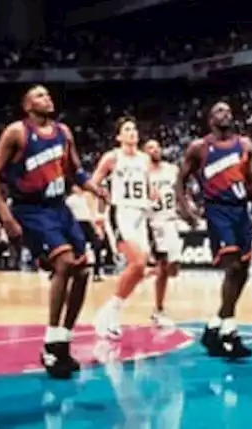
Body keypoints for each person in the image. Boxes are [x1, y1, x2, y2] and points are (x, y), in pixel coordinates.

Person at [0, 85, 103, 379]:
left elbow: (76, 170)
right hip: (31, 210)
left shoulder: (63, 132)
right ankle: (50, 340)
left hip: (60, 208)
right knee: (63, 263)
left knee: (84, 270)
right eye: (39, 95)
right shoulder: (17, 132)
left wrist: (94, 188)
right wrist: (6, 217)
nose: (47, 98)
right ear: (26, 106)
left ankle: (63, 338)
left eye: (48, 94)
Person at [178, 101, 252, 359]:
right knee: (233, 267)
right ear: (209, 119)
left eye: (229, 110)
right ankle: (229, 330)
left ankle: (214, 325)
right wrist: (185, 206)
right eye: (218, 110)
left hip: (241, 211)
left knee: (244, 271)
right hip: (217, 210)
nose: (225, 113)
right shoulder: (199, 147)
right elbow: (180, 179)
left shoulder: (245, 145)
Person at [90, 117, 153, 339]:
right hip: (121, 213)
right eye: (127, 129)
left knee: (140, 270)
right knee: (137, 262)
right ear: (118, 137)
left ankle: (110, 311)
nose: (132, 132)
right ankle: (110, 313)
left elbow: (148, 187)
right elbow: (93, 182)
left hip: (141, 215)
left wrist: (152, 199)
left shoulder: (145, 159)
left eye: (134, 128)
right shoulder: (112, 157)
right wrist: (97, 211)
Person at [144, 138, 183, 328]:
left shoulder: (171, 169)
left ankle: (145, 272)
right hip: (153, 223)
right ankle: (158, 310)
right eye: (151, 147)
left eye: (157, 146)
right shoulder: (142, 174)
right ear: (144, 152)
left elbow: (180, 191)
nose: (155, 150)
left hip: (171, 221)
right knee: (164, 265)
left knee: (173, 269)